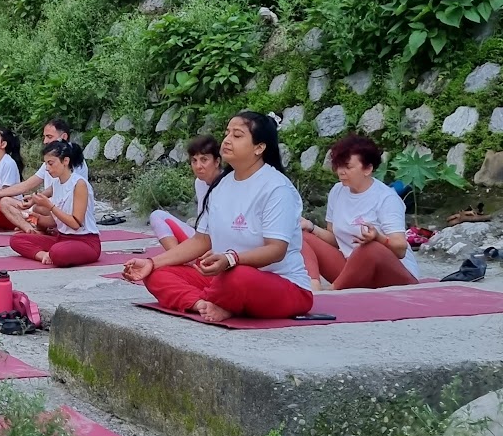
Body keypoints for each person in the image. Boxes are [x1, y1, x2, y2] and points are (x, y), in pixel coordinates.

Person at [122, 112, 313, 323]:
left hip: (279, 285)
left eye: (237, 135)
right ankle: (202, 304)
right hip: (223, 278)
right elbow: (201, 241)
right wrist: (151, 262)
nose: (228, 140)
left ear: (259, 147)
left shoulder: (277, 188)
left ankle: (221, 301)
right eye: (227, 133)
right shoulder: (221, 185)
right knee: (158, 273)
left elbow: (276, 250)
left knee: (239, 277)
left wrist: (231, 259)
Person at [302, 133, 419, 289]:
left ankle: (332, 291)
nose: (341, 172)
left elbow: (400, 249)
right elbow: (335, 239)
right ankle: (313, 286)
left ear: (368, 169)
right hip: (352, 269)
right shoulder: (337, 191)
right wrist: (310, 226)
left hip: (391, 274)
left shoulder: (386, 198)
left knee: (370, 249)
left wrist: (377, 238)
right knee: (301, 235)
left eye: (348, 167)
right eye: (339, 166)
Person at [9, 141, 101, 267]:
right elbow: (53, 222)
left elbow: (75, 223)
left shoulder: (79, 184)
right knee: (16, 239)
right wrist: (28, 216)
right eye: (46, 163)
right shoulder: (56, 184)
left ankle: (52, 255)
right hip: (62, 238)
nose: (47, 168)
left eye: (51, 163)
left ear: (65, 161)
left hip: (85, 241)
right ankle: (44, 256)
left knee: (58, 252)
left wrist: (50, 206)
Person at [0, 117, 75, 234]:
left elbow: (61, 187)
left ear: (64, 137)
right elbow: (27, 185)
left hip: (63, 210)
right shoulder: (50, 159)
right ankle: (30, 229)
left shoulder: (73, 160)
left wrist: (36, 199)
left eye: (49, 137)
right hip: (47, 206)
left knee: (37, 208)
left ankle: (36, 227)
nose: (45, 141)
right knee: (4, 203)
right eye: (44, 137)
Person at [150, 135, 226, 249]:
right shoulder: (199, 183)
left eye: (204, 160)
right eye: (194, 161)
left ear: (217, 161)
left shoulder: (228, 183)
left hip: (223, 245)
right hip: (202, 240)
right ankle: (175, 256)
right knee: (157, 216)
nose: (198, 166)